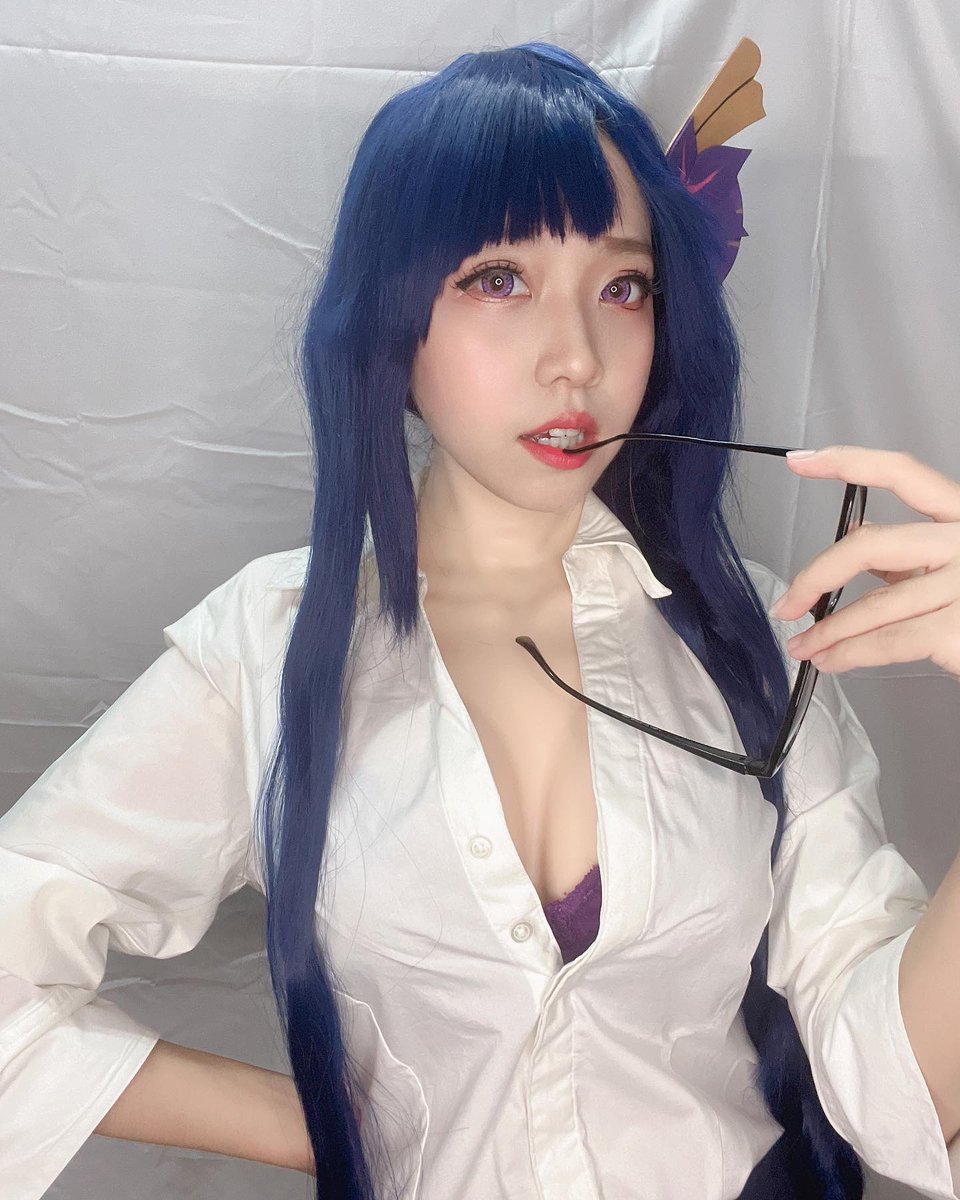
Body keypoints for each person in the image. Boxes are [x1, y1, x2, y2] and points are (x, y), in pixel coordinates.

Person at [2, 38, 959, 1200]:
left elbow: (895, 1090)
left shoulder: (754, 631)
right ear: (390, 322)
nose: (577, 360)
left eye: (623, 288)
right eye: (499, 279)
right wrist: (317, 1127)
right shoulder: (270, 649)